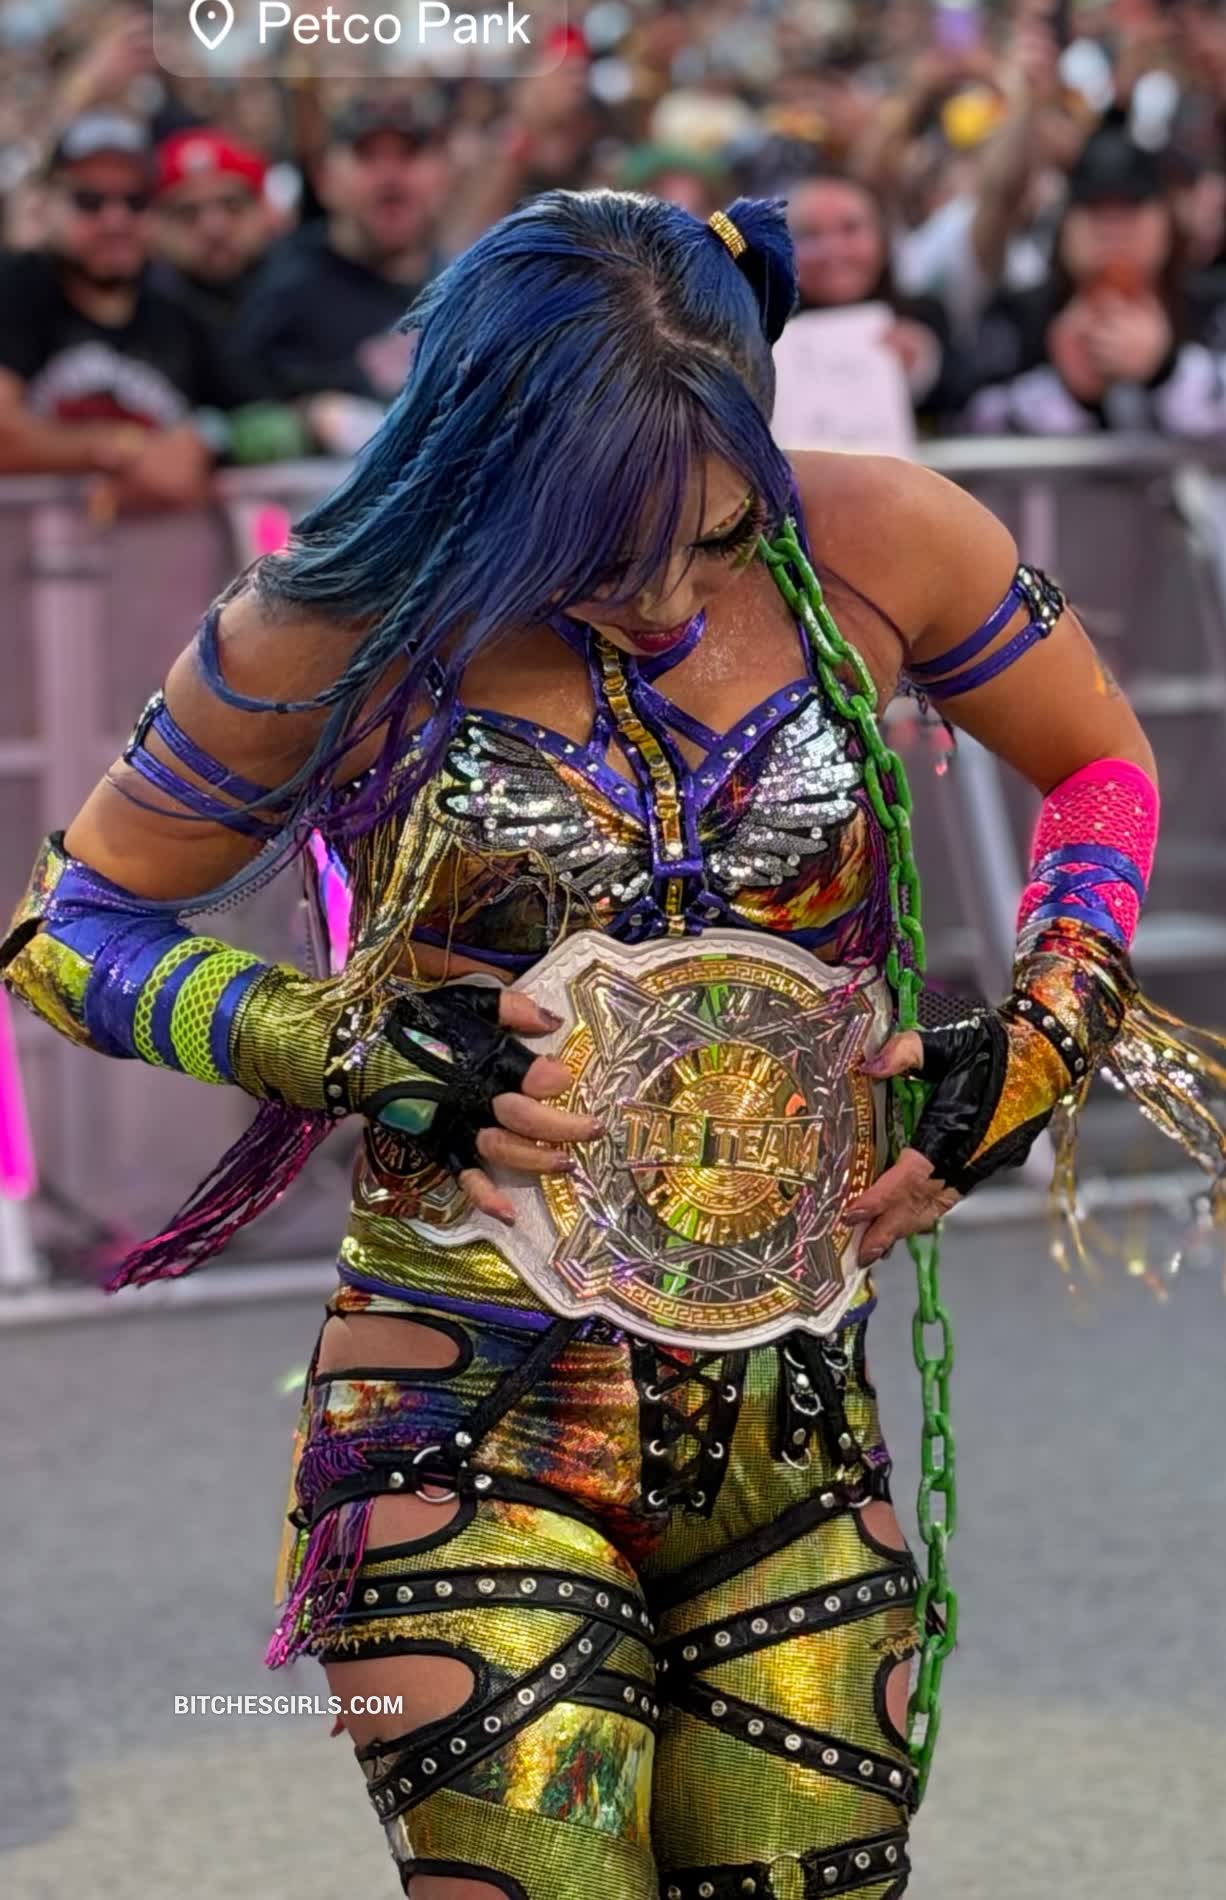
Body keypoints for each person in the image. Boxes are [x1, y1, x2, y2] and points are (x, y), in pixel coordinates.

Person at [4, 189, 1221, 1900]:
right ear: (481, 464)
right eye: (590, 546)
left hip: (797, 1427)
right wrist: (347, 1043)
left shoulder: (884, 541)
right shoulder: (331, 624)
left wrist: (1043, 1028)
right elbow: (66, 930)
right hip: (459, 1411)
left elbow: (1097, 765)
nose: (659, 597)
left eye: (712, 535)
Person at [0, 111, 229, 508]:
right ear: (44, 206)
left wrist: (207, 441)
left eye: (135, 202)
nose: (115, 219)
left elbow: (253, 415)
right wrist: (122, 448)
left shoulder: (184, 319)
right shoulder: (15, 290)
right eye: (89, 201)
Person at [966, 121, 1226, 435]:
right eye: (1095, 212)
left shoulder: (1211, 307)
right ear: (1065, 226)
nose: (1112, 230)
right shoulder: (1016, 314)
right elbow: (972, 419)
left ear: (1165, 221)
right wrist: (1069, 390)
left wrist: (1164, 369)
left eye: (1130, 210)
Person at [234, 93, 451, 444]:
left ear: (441, 174)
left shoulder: (467, 286)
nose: (390, 176)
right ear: (324, 179)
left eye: (408, 155)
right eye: (367, 157)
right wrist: (306, 418)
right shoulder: (282, 292)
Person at [784, 170, 970, 422]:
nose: (832, 250)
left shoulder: (924, 315)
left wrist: (923, 367)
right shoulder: (757, 328)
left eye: (850, 229)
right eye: (810, 234)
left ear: (882, 238)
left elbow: (962, 401)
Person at [150, 126, 275, 330]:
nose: (214, 228)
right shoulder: (144, 320)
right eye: (188, 213)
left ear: (263, 210)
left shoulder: (305, 297)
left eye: (232, 205)